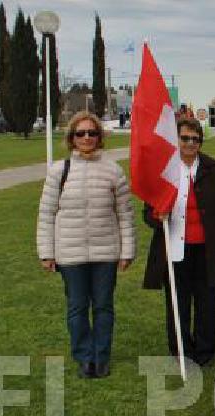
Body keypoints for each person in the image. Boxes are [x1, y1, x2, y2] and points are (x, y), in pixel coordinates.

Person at [36, 111, 136, 378]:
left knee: (103, 306)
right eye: (81, 133)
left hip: (106, 253)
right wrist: (46, 252)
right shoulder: (59, 171)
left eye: (92, 133)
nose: (87, 138)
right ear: (72, 138)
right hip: (70, 254)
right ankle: (84, 356)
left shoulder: (114, 170)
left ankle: (101, 356)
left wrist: (127, 251)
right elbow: (46, 214)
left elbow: (125, 214)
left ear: (99, 137)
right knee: (77, 308)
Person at [142, 118, 215, 367]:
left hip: (208, 249)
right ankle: (182, 351)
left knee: (208, 301)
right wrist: (157, 215)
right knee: (178, 302)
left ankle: (205, 350)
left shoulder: (214, 168)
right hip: (175, 248)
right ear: (176, 140)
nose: (190, 143)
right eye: (185, 138)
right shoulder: (165, 170)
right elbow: (148, 212)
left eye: (195, 139)